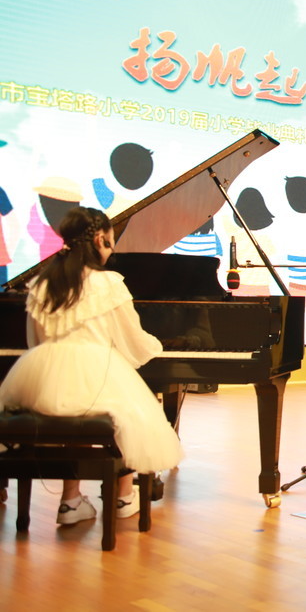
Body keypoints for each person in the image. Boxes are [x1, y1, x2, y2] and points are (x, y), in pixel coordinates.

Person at [0, 207, 183, 525]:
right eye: (111, 241)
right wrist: (156, 347)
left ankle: (71, 501)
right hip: (97, 370)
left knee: (78, 404)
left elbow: (36, 342)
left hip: (43, 378)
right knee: (130, 411)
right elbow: (132, 339)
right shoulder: (108, 283)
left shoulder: (42, 284)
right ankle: (124, 495)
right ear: (100, 239)